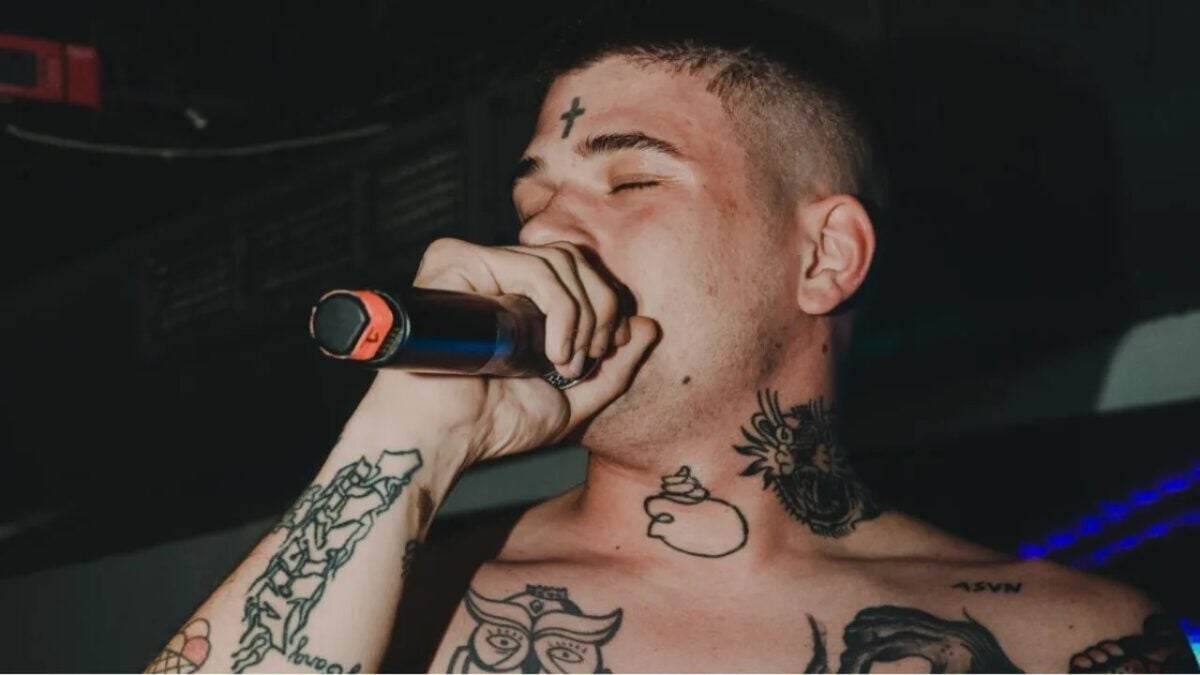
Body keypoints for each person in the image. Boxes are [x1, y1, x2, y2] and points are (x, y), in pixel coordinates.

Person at [146, 1, 1199, 672]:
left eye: (632, 180)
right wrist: (407, 438)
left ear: (825, 255)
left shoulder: (1067, 636)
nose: (544, 233)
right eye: (532, 197)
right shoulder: (410, 608)